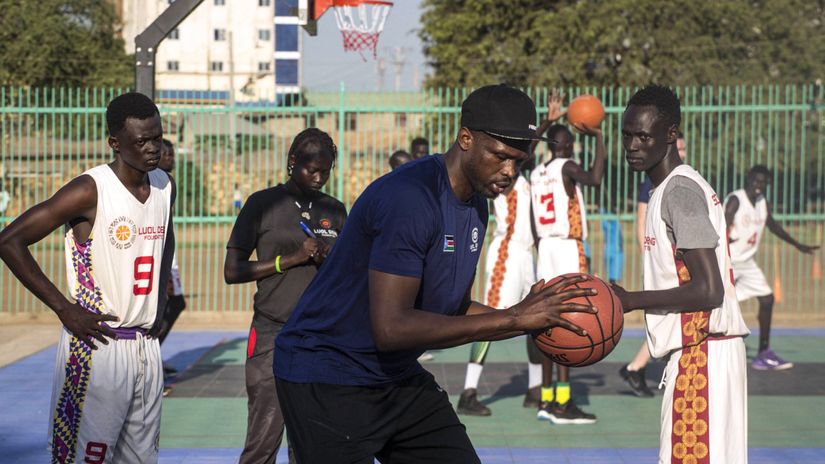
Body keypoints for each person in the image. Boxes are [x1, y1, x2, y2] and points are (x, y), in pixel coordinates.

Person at [273, 84, 597, 463]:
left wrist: (531, 318)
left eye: (519, 161)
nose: (510, 171)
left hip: (392, 375)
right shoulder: (410, 197)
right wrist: (512, 318)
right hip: (327, 374)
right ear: (466, 139)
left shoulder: (476, 204)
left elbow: (452, 307)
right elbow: (391, 328)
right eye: (500, 156)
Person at [0, 92, 175, 463]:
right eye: (142, 141)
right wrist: (64, 308)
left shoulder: (164, 184)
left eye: (157, 138)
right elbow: (10, 241)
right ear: (115, 143)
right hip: (97, 346)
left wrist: (160, 300)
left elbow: (166, 239)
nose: (152, 148)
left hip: (146, 346)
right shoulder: (90, 189)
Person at [613, 85, 750, 463]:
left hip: (702, 355)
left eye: (644, 136)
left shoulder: (678, 192)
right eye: (627, 135)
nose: (632, 145)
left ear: (671, 134)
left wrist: (631, 300)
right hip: (707, 353)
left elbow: (709, 289)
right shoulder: (668, 188)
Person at [225, 128, 346, 464]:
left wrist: (331, 257)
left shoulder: (335, 210)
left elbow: (348, 274)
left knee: (311, 446)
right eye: (312, 169)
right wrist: (290, 259)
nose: (319, 178)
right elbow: (232, 271)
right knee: (263, 442)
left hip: (319, 336)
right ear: (293, 161)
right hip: (272, 333)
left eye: (326, 171)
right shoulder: (262, 204)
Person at [456, 91, 565, 417]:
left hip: (526, 254)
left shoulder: (524, 179)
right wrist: (546, 123)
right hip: (506, 252)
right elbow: (524, 153)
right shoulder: (503, 176)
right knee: (489, 320)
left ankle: (535, 388)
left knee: (535, 318)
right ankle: (468, 391)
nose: (514, 161)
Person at [529, 101, 606, 425]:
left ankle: (546, 399)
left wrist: (545, 123)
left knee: (546, 322)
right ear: (569, 145)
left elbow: (532, 219)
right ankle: (563, 402)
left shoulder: (536, 172)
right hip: (566, 247)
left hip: (545, 248)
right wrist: (599, 138)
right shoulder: (566, 166)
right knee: (569, 322)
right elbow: (595, 178)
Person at [725, 165, 820, 370]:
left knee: (767, 299)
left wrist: (798, 244)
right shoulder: (736, 200)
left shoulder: (762, 203)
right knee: (716, 304)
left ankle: (763, 353)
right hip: (728, 261)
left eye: (763, 182)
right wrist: (723, 241)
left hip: (747, 262)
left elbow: (774, 226)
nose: (759, 185)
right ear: (748, 178)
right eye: (756, 180)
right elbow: (722, 225)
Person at [619, 133, 686, 397]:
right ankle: (636, 368)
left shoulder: (681, 180)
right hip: (661, 261)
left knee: (671, 317)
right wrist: (647, 254)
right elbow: (641, 219)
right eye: (678, 147)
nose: (682, 151)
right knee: (669, 317)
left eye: (684, 147)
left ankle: (637, 367)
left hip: (675, 260)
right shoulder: (652, 180)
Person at [151, 139, 187, 350]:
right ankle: (151, 351)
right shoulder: (153, 184)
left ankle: (153, 353)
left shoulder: (165, 184)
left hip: (167, 254)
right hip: (160, 255)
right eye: (166, 154)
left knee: (174, 304)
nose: (170, 158)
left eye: (172, 154)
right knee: (173, 303)